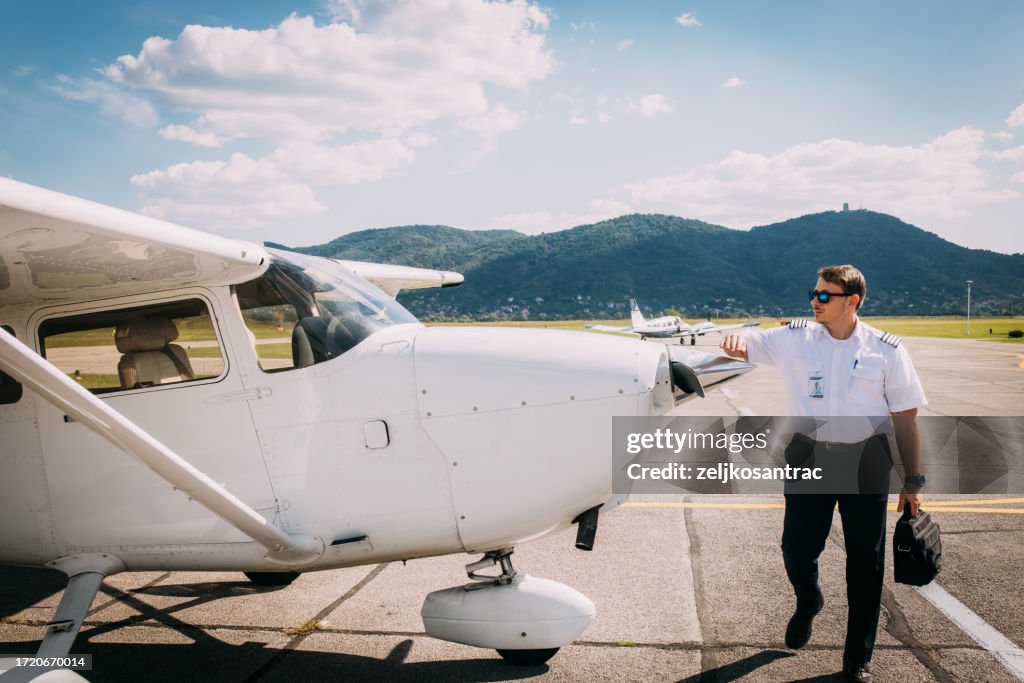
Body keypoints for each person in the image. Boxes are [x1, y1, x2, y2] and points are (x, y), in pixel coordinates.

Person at [719, 264, 926, 683]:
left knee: (864, 565)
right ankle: (809, 599)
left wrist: (913, 481)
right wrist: (736, 339)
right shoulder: (794, 339)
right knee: (796, 548)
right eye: (813, 293)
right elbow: (750, 343)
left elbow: (905, 417)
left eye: (824, 295)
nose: (815, 301)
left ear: (853, 301)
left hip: (867, 461)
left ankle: (857, 659)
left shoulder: (885, 351)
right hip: (808, 457)